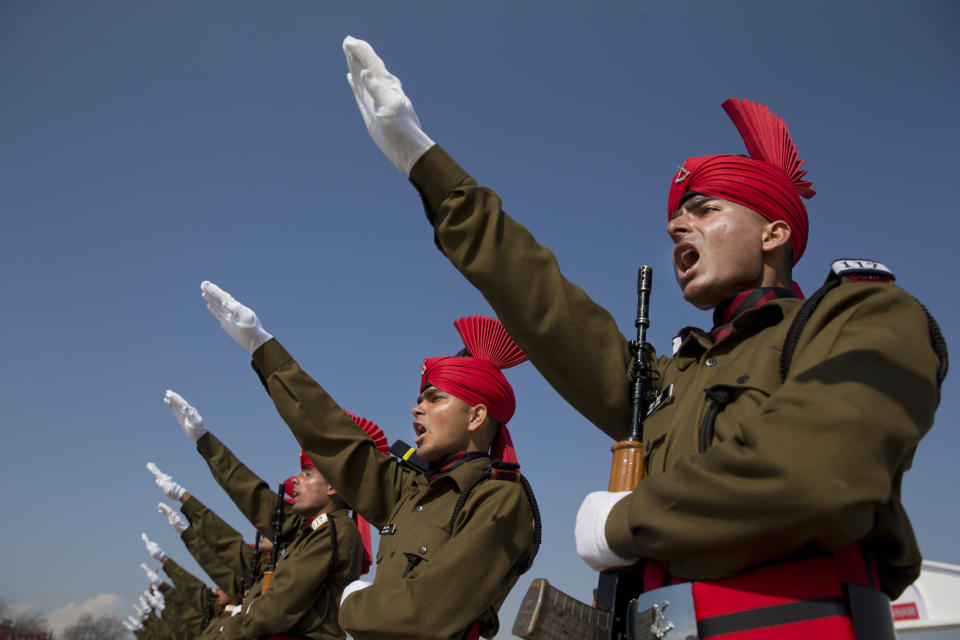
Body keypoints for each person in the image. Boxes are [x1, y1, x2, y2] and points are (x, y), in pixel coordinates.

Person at [342, 36, 947, 639]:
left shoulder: (860, 315)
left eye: (706, 209)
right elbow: (543, 300)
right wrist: (425, 163)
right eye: (678, 218)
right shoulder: (669, 382)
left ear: (775, 232)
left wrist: (627, 523)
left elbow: (821, 469)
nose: (678, 223)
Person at [200, 283, 539, 640]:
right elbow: (337, 439)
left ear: (476, 417)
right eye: (420, 398)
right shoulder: (412, 490)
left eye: (434, 398)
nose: (416, 407)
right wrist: (264, 349)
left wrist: (354, 604)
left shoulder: (499, 500)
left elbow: (424, 615)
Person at [160, 390, 364, 640]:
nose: (295, 481)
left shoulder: (334, 530)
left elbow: (277, 606)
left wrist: (234, 629)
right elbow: (255, 497)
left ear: (333, 486)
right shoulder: (311, 529)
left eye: (307, 474)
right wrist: (204, 441)